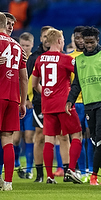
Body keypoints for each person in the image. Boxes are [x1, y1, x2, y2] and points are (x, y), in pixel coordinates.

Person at [32, 28, 83, 184]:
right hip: (64, 104)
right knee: (76, 136)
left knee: (49, 139)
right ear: (60, 41)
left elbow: (34, 84)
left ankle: (49, 176)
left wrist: (47, 93)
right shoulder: (66, 59)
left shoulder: (40, 59)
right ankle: (72, 171)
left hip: (47, 104)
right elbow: (80, 75)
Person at [66, 26, 101, 186]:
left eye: (91, 42)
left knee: (99, 138)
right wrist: (70, 100)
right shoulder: (79, 60)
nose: (88, 45)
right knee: (94, 140)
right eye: (86, 42)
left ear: (97, 40)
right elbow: (76, 84)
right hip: (88, 104)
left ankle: (94, 175)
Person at [0, 12, 28, 190]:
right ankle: (8, 183)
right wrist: (23, 102)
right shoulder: (18, 47)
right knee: (7, 140)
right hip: (13, 98)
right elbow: (24, 78)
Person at [26, 25, 52, 182]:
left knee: (60, 137)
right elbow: (28, 78)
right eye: (44, 36)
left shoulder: (60, 56)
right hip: (39, 102)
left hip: (57, 102)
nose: (47, 39)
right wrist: (28, 98)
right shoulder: (34, 57)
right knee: (40, 136)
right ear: (41, 38)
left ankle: (60, 172)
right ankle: (40, 174)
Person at [68, 26, 92, 183]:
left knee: (92, 136)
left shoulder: (94, 56)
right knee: (78, 137)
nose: (79, 40)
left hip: (91, 101)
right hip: (75, 103)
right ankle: (82, 170)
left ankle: (91, 169)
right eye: (76, 37)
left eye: (82, 38)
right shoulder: (68, 57)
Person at [12, 32, 35, 179]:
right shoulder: (14, 58)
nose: (25, 48)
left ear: (32, 45)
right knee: (15, 138)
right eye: (23, 45)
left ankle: (29, 168)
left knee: (29, 136)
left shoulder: (35, 60)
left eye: (27, 45)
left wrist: (30, 99)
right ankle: (16, 163)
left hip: (31, 105)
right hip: (15, 103)